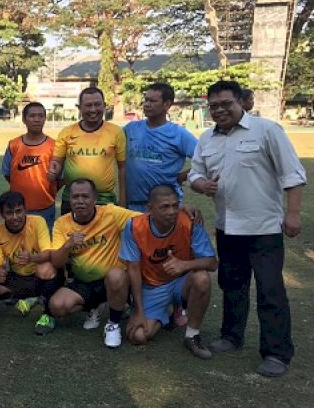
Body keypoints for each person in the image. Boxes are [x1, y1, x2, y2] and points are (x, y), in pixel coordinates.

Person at [189, 80, 306, 377]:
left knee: (270, 290)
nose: (219, 110)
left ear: (241, 101)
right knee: (232, 285)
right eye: (213, 106)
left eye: (226, 103)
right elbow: (195, 173)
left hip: (264, 228)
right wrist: (201, 184)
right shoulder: (207, 138)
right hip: (228, 227)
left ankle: (277, 353)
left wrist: (292, 214)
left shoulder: (266, 130)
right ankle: (232, 336)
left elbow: (292, 174)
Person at [120, 185, 217, 359]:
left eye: (175, 205)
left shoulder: (189, 221)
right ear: (150, 209)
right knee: (137, 336)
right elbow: (133, 269)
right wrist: (139, 311)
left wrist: (184, 265)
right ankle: (169, 309)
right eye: (165, 207)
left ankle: (192, 335)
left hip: (181, 282)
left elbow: (212, 263)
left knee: (201, 278)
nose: (172, 211)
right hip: (152, 286)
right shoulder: (135, 226)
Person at [49, 179, 138, 348]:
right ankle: (95, 306)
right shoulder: (62, 223)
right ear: (70, 200)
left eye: (85, 196)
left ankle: (113, 323)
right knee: (57, 306)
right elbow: (56, 262)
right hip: (84, 282)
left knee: (116, 275)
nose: (80, 201)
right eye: (75, 197)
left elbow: (146, 219)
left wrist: (182, 210)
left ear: (95, 199)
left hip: (113, 280)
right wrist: (67, 245)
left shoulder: (111, 213)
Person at [0, 191, 65, 336]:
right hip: (19, 277)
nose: (15, 217)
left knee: (46, 269)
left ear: (25, 209)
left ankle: (47, 313)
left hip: (40, 275)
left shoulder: (38, 222)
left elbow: (48, 253)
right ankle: (35, 298)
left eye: (19, 211)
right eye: (9, 213)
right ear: (2, 214)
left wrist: (31, 258)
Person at [48, 87, 126, 215]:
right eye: (88, 105)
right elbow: (57, 161)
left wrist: (123, 200)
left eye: (97, 104)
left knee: (103, 236)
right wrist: (53, 170)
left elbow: (123, 168)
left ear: (105, 106)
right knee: (72, 235)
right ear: (79, 108)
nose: (93, 110)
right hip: (73, 200)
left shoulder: (116, 132)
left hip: (104, 201)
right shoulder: (67, 132)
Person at [124, 83, 197, 214]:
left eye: (152, 101)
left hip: (165, 208)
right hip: (133, 206)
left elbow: (205, 159)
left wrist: (181, 177)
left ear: (167, 104)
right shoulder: (131, 129)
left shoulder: (179, 134)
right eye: (146, 100)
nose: (147, 104)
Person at [2, 102, 57, 230]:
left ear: (45, 118)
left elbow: (60, 177)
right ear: (24, 119)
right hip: (18, 207)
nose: (37, 119)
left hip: (45, 206)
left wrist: (47, 190)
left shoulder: (54, 145)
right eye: (32, 116)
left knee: (44, 244)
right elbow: (7, 173)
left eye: (40, 116)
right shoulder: (14, 145)